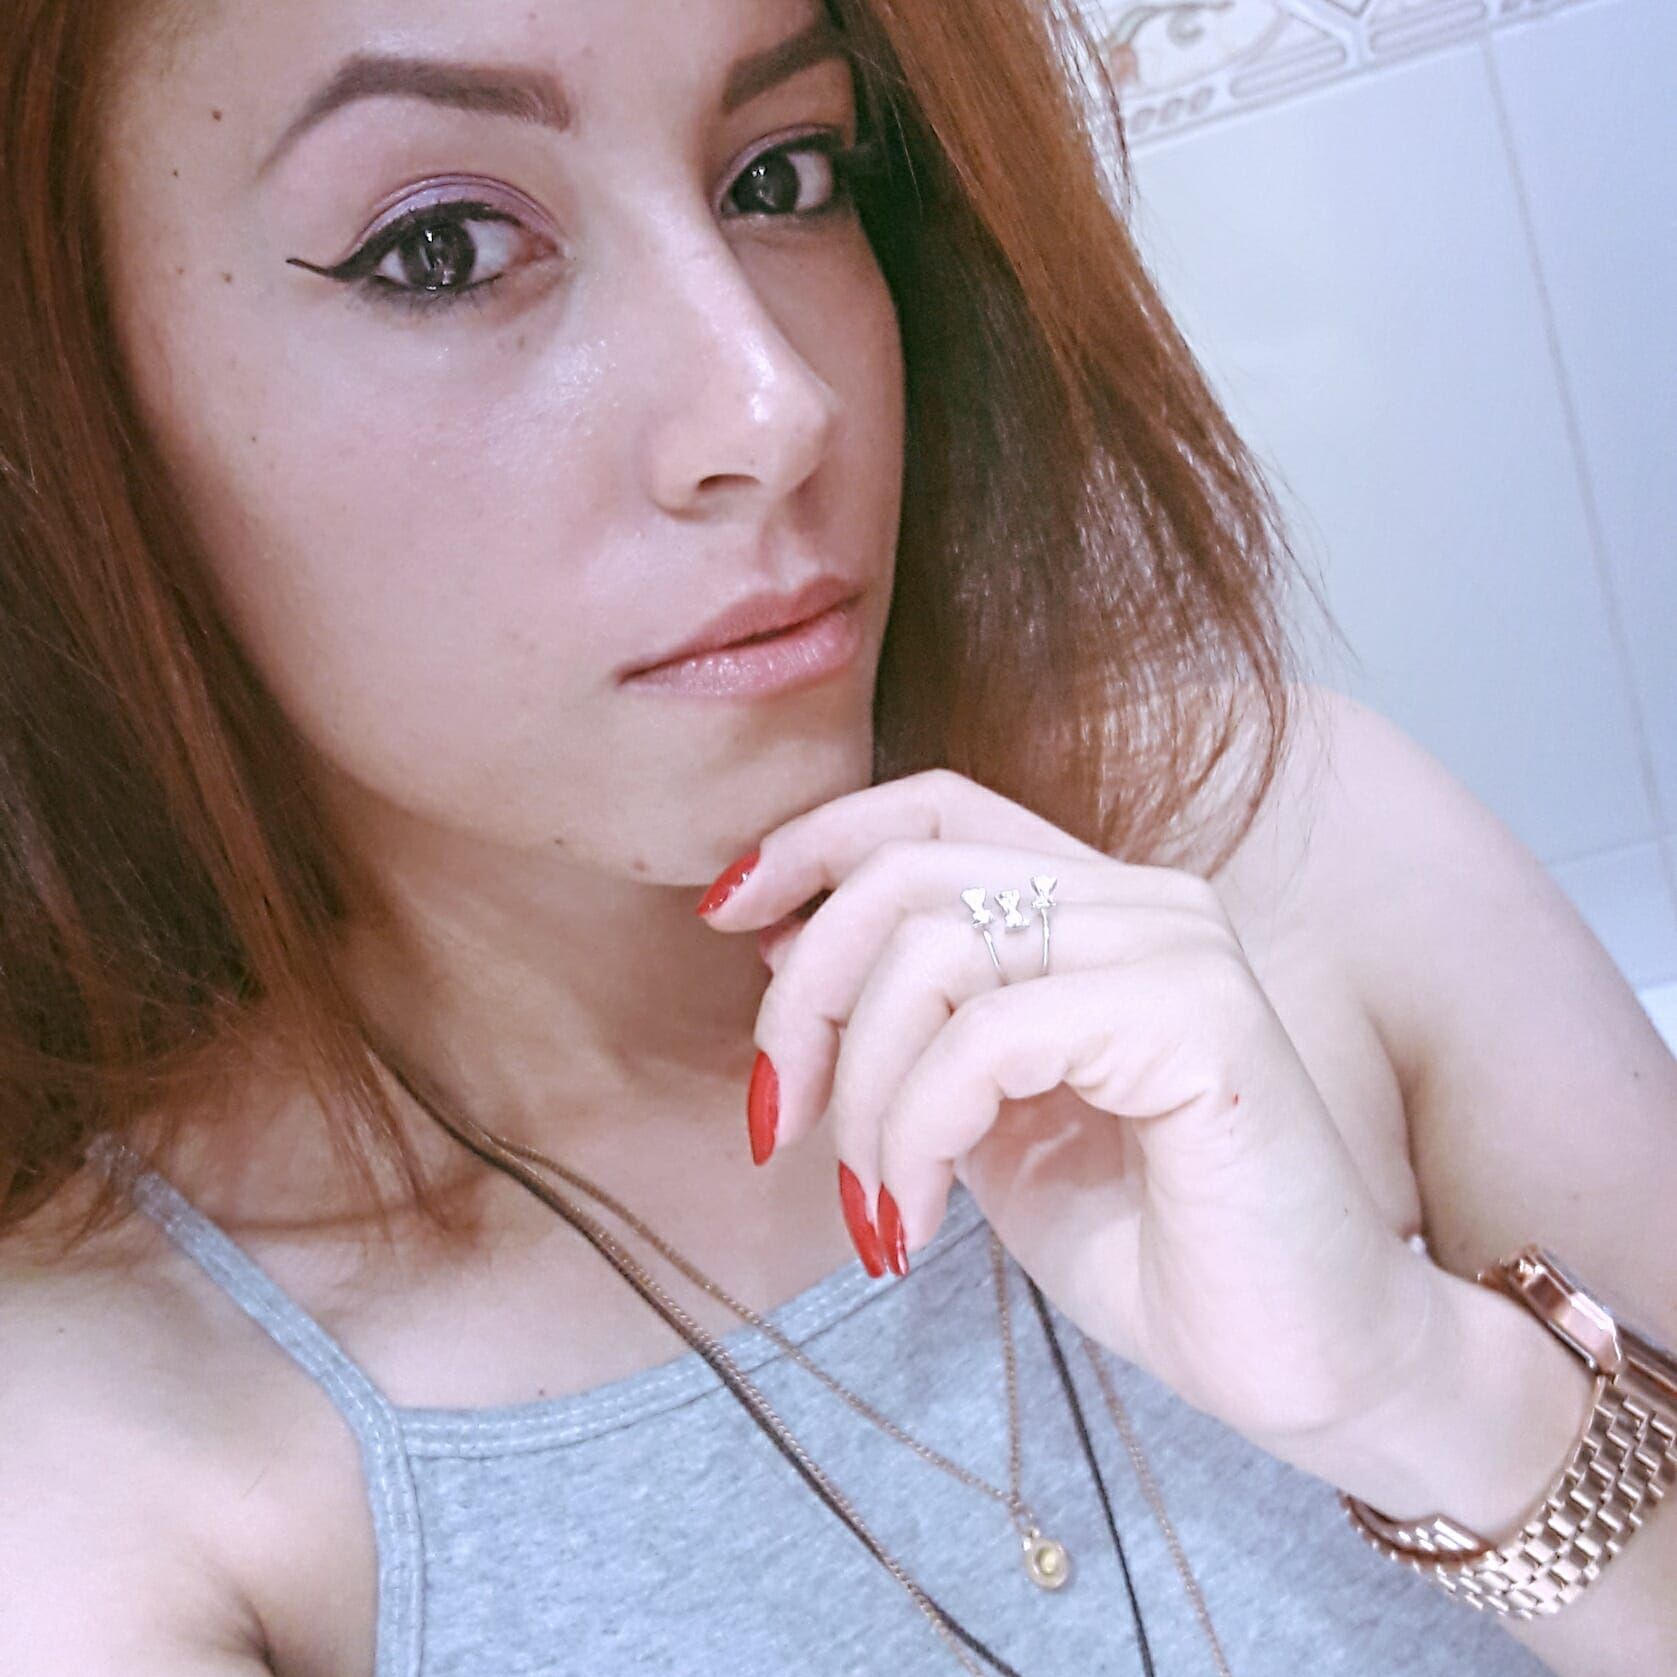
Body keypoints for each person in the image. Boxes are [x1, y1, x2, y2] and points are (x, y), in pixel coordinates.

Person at [0, 0, 1672, 1672]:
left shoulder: (1293, 848)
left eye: (783, 174)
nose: (772, 404)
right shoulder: (104, 1466)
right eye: (440, 248)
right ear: (77, 418)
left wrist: (1426, 1391)